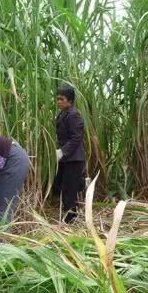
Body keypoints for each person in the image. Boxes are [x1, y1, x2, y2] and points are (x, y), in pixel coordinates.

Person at [53, 84, 86, 223]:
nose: (59, 102)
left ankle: (70, 220)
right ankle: (69, 216)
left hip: (73, 159)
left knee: (69, 190)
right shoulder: (63, 114)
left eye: (62, 99)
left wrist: (62, 151)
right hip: (67, 159)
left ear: (70, 101)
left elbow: (76, 138)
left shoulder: (73, 114)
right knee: (62, 186)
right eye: (58, 99)